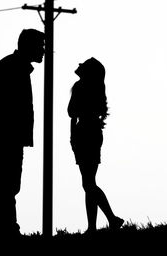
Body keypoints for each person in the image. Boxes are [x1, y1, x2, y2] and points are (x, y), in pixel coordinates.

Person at [0, 29, 45, 244]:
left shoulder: (16, 67)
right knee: (4, 183)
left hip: (8, 132)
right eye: (41, 45)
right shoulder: (11, 67)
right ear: (30, 46)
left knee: (8, 183)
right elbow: (1, 101)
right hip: (6, 132)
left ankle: (5, 228)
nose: (44, 50)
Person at [67, 57, 124, 235]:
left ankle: (112, 219)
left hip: (83, 133)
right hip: (93, 133)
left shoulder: (79, 86)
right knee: (89, 183)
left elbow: (71, 112)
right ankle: (93, 226)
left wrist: (72, 136)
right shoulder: (98, 88)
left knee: (88, 183)